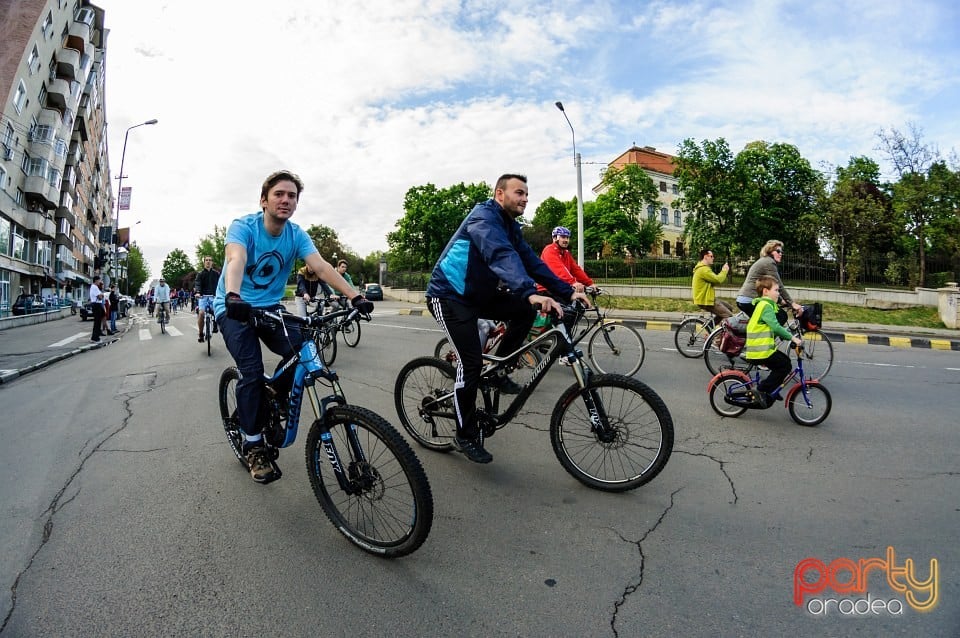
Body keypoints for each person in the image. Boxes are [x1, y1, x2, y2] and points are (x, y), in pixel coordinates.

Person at [216, 169, 372, 484]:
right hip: (234, 308)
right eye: (279, 194)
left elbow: (321, 267)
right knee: (251, 369)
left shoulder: (296, 234)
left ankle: (273, 391)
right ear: (264, 200)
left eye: (292, 196)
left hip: (271, 308)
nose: (286, 200)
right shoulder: (243, 227)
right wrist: (233, 295)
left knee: (304, 349)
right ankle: (253, 444)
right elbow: (236, 258)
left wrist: (355, 297)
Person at [425, 173, 590, 464]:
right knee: (471, 363)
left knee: (524, 313)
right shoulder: (483, 218)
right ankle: (464, 434)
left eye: (527, 193)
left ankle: (498, 372)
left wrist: (567, 292)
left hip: (479, 296)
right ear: (500, 194)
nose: (525, 198)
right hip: (449, 296)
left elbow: (530, 261)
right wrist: (529, 292)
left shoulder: (510, 226)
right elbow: (500, 255)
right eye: (519, 192)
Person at [744, 275, 802, 407]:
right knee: (784, 365)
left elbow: (775, 325)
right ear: (765, 291)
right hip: (760, 350)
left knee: (783, 363)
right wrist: (793, 338)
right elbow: (775, 326)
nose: (778, 293)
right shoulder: (765, 306)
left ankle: (772, 389)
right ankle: (762, 390)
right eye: (776, 290)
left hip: (761, 349)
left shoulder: (764, 304)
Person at [735, 239, 803, 324]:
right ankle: (762, 337)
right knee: (781, 316)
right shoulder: (769, 262)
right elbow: (779, 285)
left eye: (781, 252)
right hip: (750, 300)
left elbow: (771, 287)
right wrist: (792, 303)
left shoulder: (766, 261)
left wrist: (781, 301)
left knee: (766, 321)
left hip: (745, 299)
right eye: (778, 251)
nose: (780, 254)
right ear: (770, 251)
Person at [539, 226, 594, 293]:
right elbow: (558, 269)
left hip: (559, 287)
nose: (566, 240)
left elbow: (575, 270)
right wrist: (573, 282)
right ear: (555, 238)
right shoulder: (549, 250)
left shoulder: (566, 253)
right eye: (563, 237)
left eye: (567, 237)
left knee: (582, 301)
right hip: (546, 289)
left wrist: (590, 283)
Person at [692, 249, 735, 320]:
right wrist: (724, 271)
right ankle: (721, 330)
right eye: (711, 256)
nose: (713, 258)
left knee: (729, 308)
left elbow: (713, 281)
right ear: (705, 257)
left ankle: (712, 328)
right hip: (705, 300)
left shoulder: (703, 269)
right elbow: (718, 280)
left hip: (707, 299)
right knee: (729, 316)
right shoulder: (703, 270)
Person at [194, 255, 221, 342]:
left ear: (212, 262)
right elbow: (197, 283)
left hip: (214, 296)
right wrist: (198, 292)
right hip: (203, 297)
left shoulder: (216, 274)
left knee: (217, 311)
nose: (208, 262)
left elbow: (220, 285)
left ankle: (215, 324)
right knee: (201, 313)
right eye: (206, 260)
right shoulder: (200, 274)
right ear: (204, 262)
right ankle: (201, 334)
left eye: (210, 260)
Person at [89, 275, 105, 343]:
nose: (100, 282)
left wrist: (101, 295)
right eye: (99, 280)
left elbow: (101, 296)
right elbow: (100, 297)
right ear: (96, 280)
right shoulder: (94, 287)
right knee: (97, 322)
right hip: (96, 305)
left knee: (98, 321)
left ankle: (96, 336)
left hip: (97, 304)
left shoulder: (95, 287)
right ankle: (95, 338)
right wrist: (101, 295)